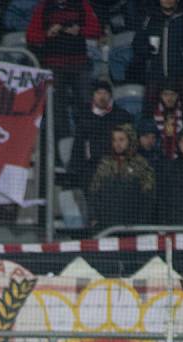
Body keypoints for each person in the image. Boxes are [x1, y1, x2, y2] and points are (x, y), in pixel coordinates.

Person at [26, 0, 102, 141]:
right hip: (53, 65)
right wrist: (47, 33)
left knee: (85, 102)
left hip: (79, 64)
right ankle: (63, 142)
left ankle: (85, 140)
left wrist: (79, 30)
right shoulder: (44, 7)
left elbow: (96, 30)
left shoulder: (81, 4)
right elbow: (31, 36)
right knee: (56, 106)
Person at [128, 0, 183, 114]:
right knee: (149, 113)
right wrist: (147, 50)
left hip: (181, 76)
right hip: (155, 76)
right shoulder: (150, 18)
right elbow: (136, 44)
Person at [68, 79, 134, 191]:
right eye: (98, 93)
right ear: (93, 95)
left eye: (105, 93)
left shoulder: (122, 116)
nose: (102, 97)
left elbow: (130, 144)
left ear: (110, 95)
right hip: (90, 169)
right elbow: (78, 147)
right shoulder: (85, 115)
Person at [89, 124, 155, 230]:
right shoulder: (104, 163)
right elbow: (94, 193)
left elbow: (148, 198)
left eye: (121, 140)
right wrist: (94, 218)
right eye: (114, 140)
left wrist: (141, 223)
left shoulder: (141, 164)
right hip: (105, 227)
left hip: (133, 227)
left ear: (130, 140)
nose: (117, 144)